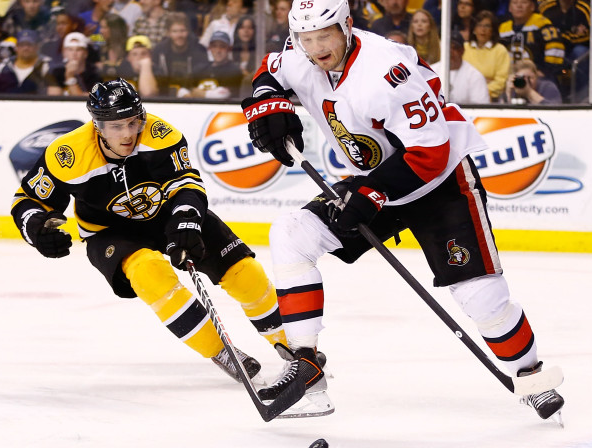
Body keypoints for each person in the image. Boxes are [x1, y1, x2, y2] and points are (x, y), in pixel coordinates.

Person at [240, 0, 564, 422]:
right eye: (306, 38)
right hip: (376, 177)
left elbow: (431, 152)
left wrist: (370, 193)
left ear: (348, 26)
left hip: (439, 180)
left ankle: (532, 376)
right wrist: (268, 104)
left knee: (480, 296)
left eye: (325, 36)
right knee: (291, 233)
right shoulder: (301, 53)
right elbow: (270, 68)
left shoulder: (385, 71)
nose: (316, 47)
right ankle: (307, 367)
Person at [10, 78, 287, 388]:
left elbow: (185, 183)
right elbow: (28, 200)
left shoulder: (160, 134)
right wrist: (37, 229)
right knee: (148, 272)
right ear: (97, 125)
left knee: (243, 271)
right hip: (109, 232)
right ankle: (220, 351)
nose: (128, 133)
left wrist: (185, 222)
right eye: (116, 127)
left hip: (167, 215)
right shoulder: (67, 155)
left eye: (132, 122)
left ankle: (295, 348)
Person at [499, 0, 564, 81]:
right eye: (515, 3)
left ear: (532, 6)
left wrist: (545, 72)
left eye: (524, 2)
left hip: (538, 77)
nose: (519, 6)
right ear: (509, 8)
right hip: (509, 77)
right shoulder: (503, 28)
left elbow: (555, 50)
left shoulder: (542, 24)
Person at [152, 12, 209, 97]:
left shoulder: (199, 50)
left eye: (182, 31)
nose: (179, 35)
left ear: (188, 31)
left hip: (192, 95)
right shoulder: (159, 50)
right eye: (175, 31)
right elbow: (156, 77)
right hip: (165, 95)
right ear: (168, 33)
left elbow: (201, 78)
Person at [0, 29, 51, 94]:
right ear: (16, 47)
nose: (25, 48)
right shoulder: (3, 67)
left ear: (37, 47)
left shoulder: (47, 65)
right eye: (22, 45)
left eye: (29, 44)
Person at [463, 10, 510, 101]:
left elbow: (500, 82)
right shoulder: (464, 48)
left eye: (487, 26)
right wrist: (485, 81)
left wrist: (479, 91)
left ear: (493, 31)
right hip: (463, 97)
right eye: (479, 25)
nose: (483, 29)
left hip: (491, 99)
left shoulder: (500, 50)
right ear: (474, 29)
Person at [430, 33, 490, 104]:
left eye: (455, 48)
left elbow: (481, 108)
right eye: (447, 48)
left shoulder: (474, 75)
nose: (450, 51)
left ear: (462, 51)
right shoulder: (430, 72)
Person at [183, 30, 241, 98]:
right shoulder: (200, 68)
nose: (218, 50)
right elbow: (182, 90)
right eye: (214, 46)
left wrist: (199, 94)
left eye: (222, 46)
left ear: (229, 49)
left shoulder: (234, 71)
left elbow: (223, 95)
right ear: (210, 48)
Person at [46, 31, 102, 95]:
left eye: (78, 50)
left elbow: (88, 101)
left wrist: (70, 78)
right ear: (64, 53)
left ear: (85, 53)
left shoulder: (94, 73)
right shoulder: (57, 72)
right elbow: (53, 99)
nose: (74, 53)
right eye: (70, 49)